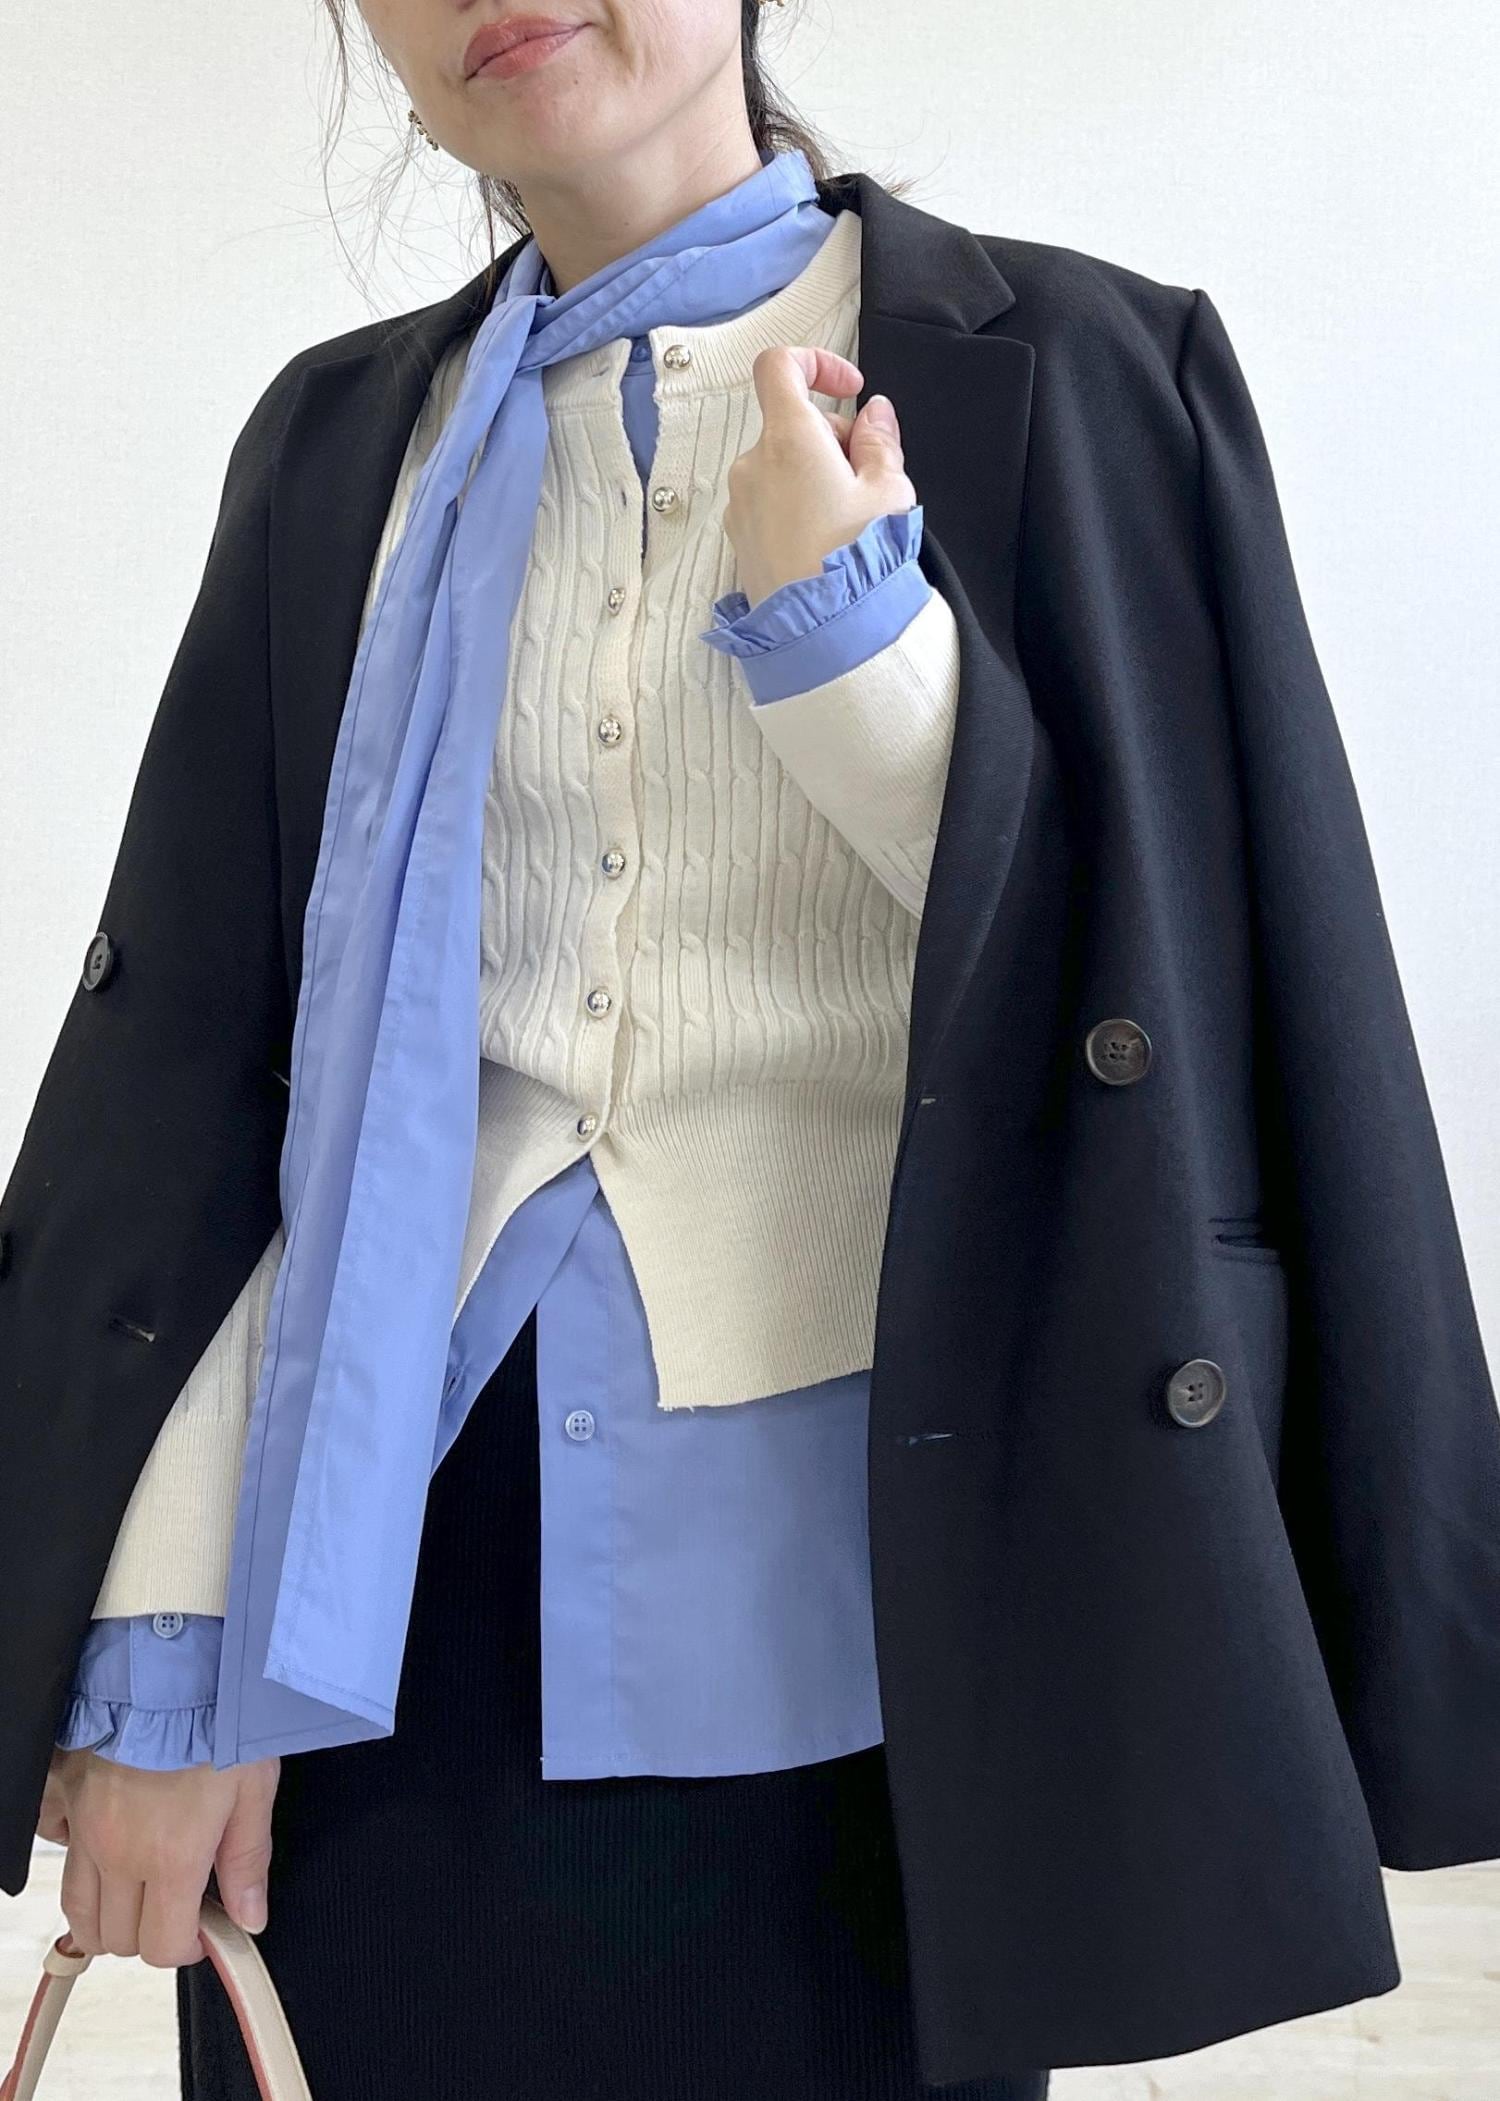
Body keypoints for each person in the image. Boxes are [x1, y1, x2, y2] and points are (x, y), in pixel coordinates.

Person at [5, 2, 1500, 2097]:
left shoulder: (1089, 372)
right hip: (380, 1614)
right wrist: (168, 1660)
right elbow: (220, 1085)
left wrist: (855, 640)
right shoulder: (338, 445)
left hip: (908, 1604)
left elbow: (1162, 988)